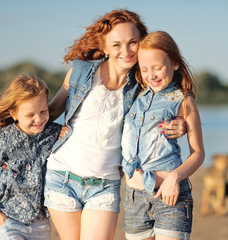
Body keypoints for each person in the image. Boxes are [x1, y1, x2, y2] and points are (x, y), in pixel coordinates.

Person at [44, 9, 187, 240]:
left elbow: (169, 106)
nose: (126, 51)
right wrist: (10, 131)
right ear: (104, 46)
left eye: (133, 43)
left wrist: (182, 125)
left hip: (105, 184)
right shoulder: (80, 72)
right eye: (117, 44)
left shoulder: (145, 85)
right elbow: (49, 113)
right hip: (62, 177)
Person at [121, 31, 205, 240]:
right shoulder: (135, 95)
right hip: (133, 199)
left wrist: (175, 177)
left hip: (170, 196)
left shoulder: (183, 100)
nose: (152, 75)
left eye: (158, 67)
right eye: (145, 69)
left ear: (175, 63)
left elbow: (198, 154)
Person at [0, 74, 61, 240]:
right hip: (9, 219)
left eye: (43, 111)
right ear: (14, 113)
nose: (39, 119)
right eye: (30, 115)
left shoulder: (53, 133)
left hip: (41, 223)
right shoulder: (2, 139)